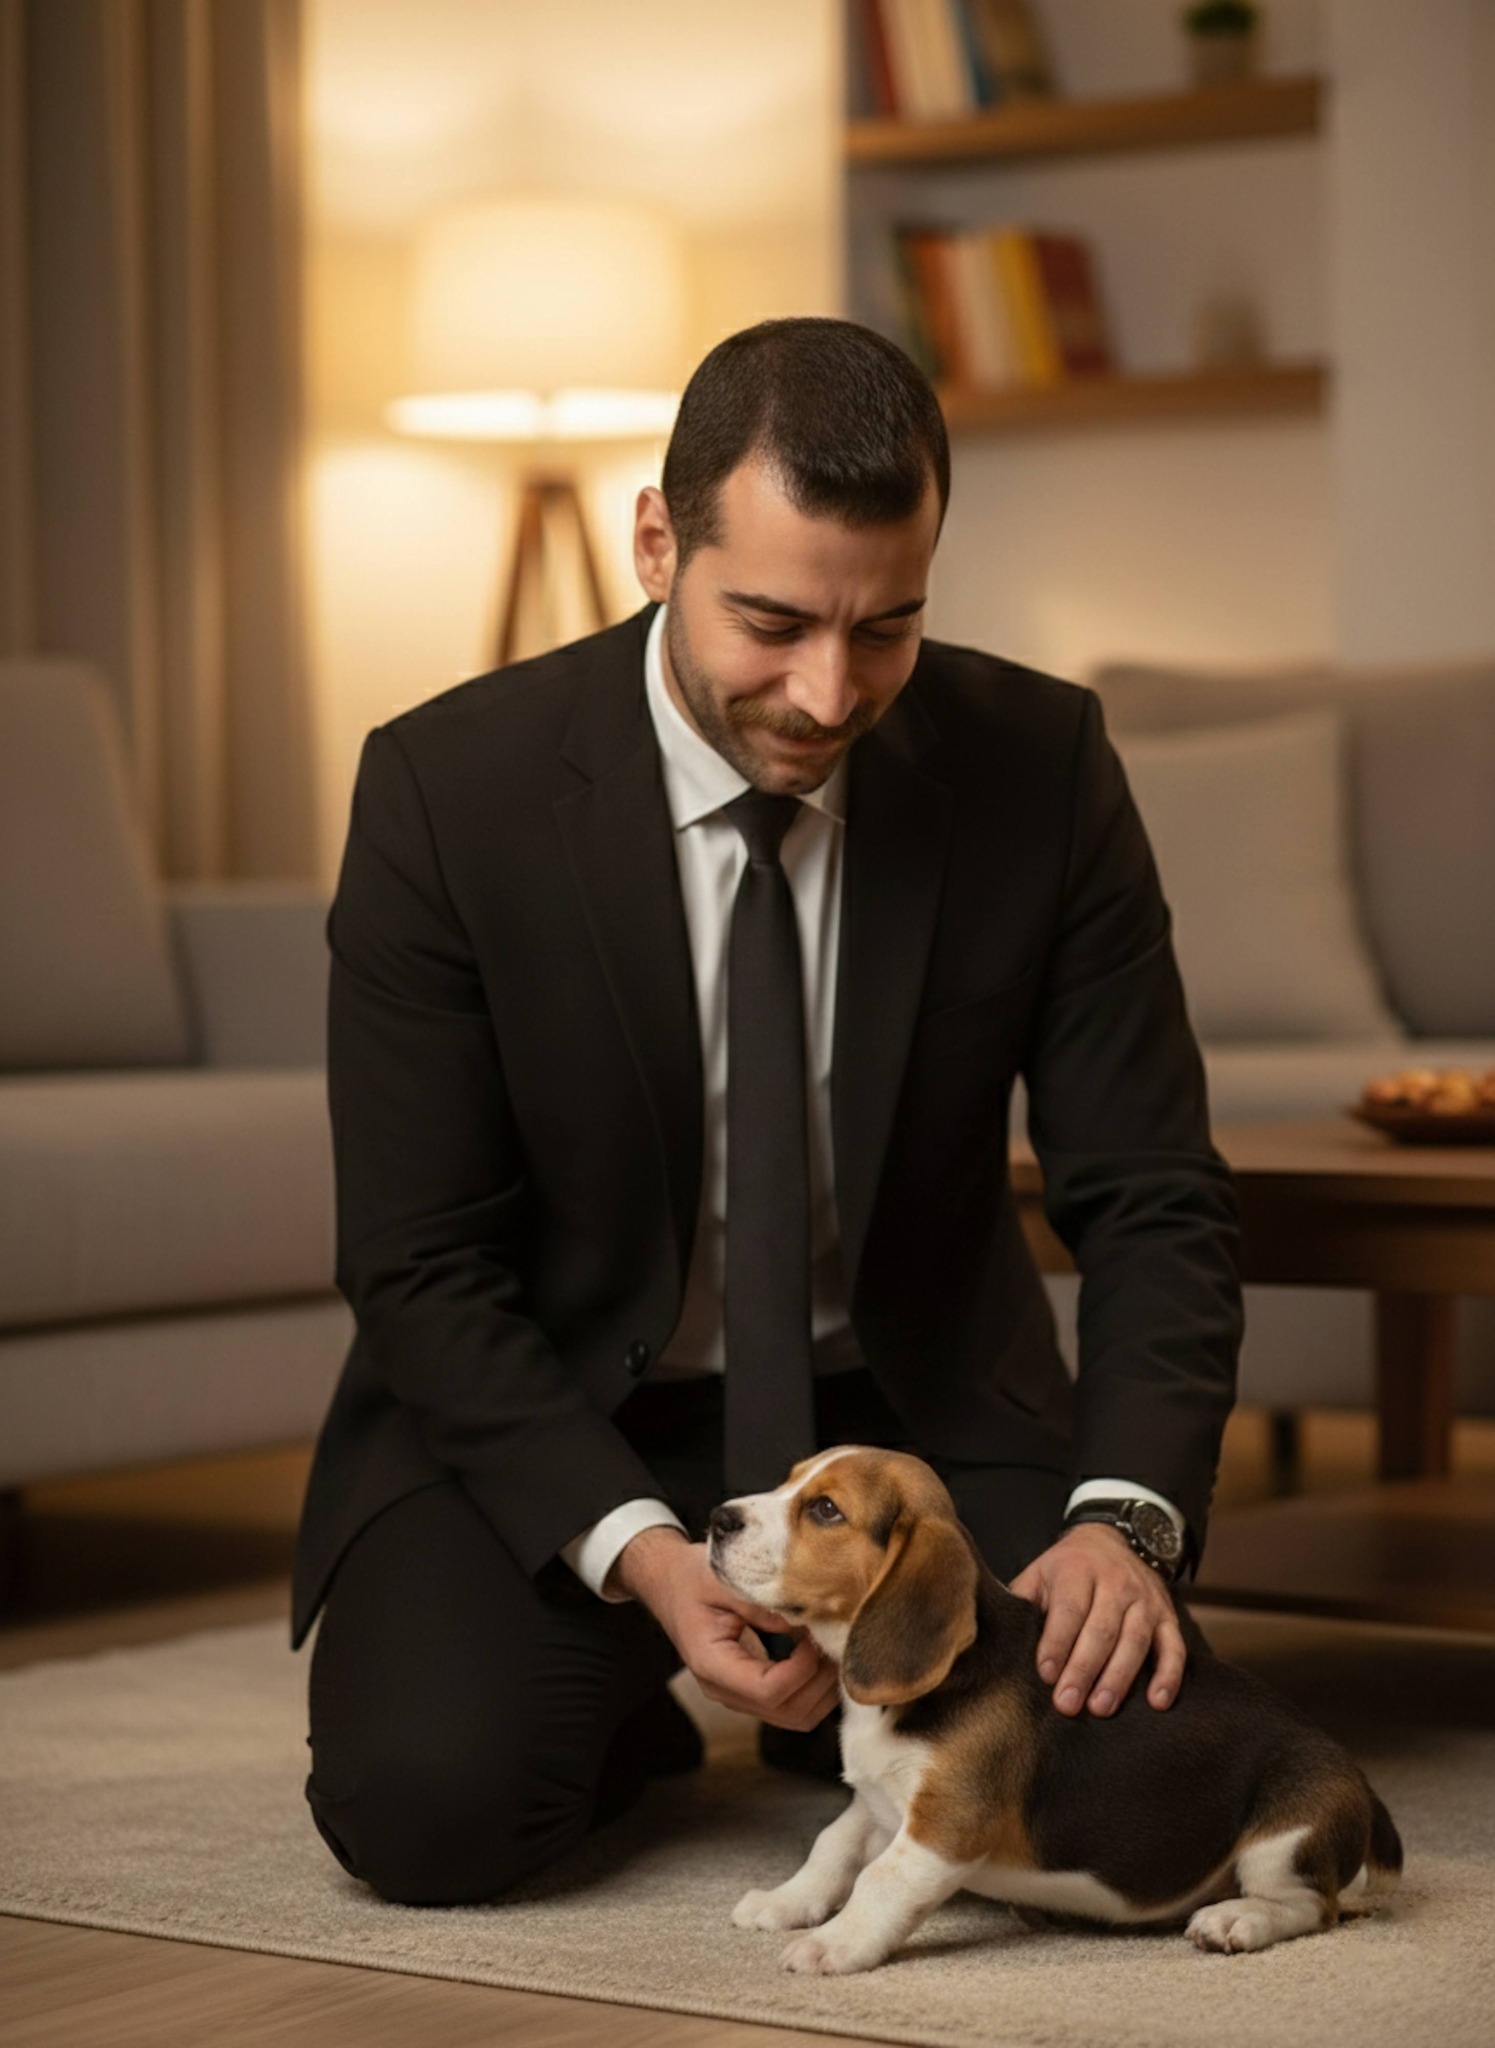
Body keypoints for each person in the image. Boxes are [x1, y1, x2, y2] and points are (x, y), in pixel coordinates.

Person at [293, 317, 1243, 1909]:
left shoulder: (1043, 765)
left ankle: (809, 1721)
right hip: (553, 1412)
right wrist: (650, 1563)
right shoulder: (444, 792)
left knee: (1111, 1781)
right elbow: (415, 1261)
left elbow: (1151, 1187)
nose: (828, 691)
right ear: (657, 540)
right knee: (432, 1812)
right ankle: (626, 1690)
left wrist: (1123, 1525)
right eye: (774, 621)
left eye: (888, 629)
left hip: (903, 1418)